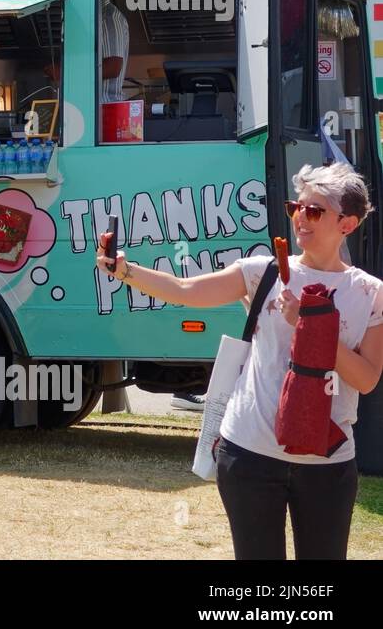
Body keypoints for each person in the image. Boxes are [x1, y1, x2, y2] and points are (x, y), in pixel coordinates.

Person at [97, 162, 382, 560]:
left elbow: (367, 379)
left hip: (328, 464)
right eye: (296, 207)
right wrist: (125, 270)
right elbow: (184, 290)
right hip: (250, 454)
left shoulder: (368, 292)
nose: (301, 217)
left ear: (347, 224)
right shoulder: (262, 272)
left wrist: (311, 327)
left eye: (314, 211)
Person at [99, 0, 130, 102]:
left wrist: (65, 74)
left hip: (104, 107)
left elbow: (113, 67)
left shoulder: (109, 17)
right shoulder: (94, 15)